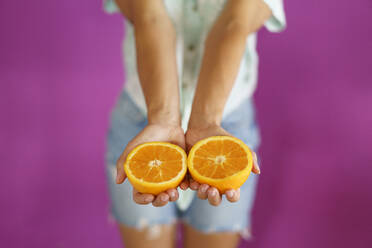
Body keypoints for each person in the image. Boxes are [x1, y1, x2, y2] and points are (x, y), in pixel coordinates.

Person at [104, 0, 286, 247]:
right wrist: (164, 121)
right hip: (142, 123)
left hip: (226, 127)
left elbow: (235, 23)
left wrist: (206, 122)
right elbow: (150, 17)